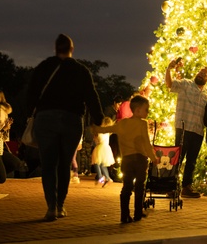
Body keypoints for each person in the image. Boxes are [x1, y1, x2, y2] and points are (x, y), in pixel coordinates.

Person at [25, 33, 104, 222]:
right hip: (71, 119)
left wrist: (30, 113)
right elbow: (91, 95)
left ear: (55, 48)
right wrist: (98, 119)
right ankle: (60, 205)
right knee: (64, 164)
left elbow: (31, 92)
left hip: (46, 118)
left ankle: (51, 206)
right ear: (71, 50)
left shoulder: (44, 67)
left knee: (49, 164)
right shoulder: (80, 70)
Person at [91, 94, 157, 223]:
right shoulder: (142, 124)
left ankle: (124, 215)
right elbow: (146, 143)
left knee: (126, 187)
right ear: (138, 110)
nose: (148, 112)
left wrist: (96, 128)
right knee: (139, 186)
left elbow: (107, 129)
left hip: (126, 160)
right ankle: (138, 213)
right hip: (140, 159)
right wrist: (153, 157)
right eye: (146, 109)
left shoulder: (122, 124)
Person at [164, 57, 207, 198]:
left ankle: (186, 187)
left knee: (191, 161)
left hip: (198, 130)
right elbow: (170, 84)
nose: (201, 74)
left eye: (205, 73)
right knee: (177, 159)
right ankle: (171, 188)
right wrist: (169, 69)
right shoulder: (185, 84)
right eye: (201, 71)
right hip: (183, 128)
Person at [91, 116, 115, 187]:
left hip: (101, 148)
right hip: (105, 148)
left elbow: (99, 140)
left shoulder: (102, 131)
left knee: (96, 162)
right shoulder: (107, 132)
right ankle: (107, 178)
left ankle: (100, 177)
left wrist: (96, 137)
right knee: (102, 164)